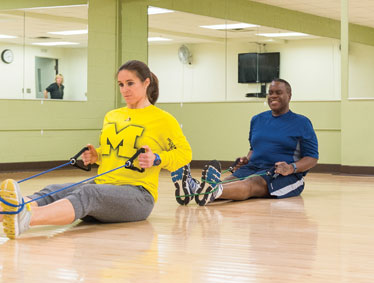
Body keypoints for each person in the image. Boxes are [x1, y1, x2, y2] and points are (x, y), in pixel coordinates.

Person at [1, 60, 192, 239]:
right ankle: (8, 210)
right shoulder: (112, 115)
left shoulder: (163, 119)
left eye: (130, 83)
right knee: (56, 189)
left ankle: (26, 218)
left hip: (138, 196)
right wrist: (96, 155)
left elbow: (185, 154)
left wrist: (157, 158)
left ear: (146, 83)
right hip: (104, 186)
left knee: (87, 194)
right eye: (120, 84)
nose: (124, 89)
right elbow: (116, 152)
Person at [190, 78, 319, 206]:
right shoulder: (257, 120)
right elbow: (253, 148)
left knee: (251, 183)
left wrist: (291, 168)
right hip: (253, 167)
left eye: (278, 92)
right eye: (270, 92)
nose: (273, 96)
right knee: (229, 181)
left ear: (289, 96)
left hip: (283, 174)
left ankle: (202, 190)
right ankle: (196, 190)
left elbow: (312, 157)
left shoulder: (302, 123)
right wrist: (246, 160)